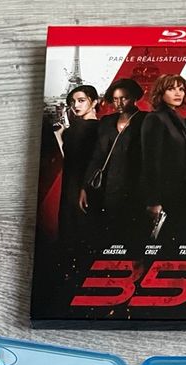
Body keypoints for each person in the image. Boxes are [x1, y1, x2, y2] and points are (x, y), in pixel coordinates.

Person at [79, 78, 146, 247]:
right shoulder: (107, 121)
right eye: (115, 99)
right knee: (106, 234)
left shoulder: (146, 120)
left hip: (134, 188)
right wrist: (85, 187)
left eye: (124, 98)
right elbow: (97, 156)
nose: (119, 103)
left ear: (134, 97)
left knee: (131, 236)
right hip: (106, 187)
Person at [141, 74, 186, 246]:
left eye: (181, 89)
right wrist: (153, 201)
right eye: (171, 89)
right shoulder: (155, 118)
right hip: (164, 195)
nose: (178, 93)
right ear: (161, 93)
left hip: (180, 191)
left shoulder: (176, 117)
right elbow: (150, 161)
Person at [56, 85, 99, 253]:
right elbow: (70, 156)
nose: (76, 105)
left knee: (73, 231)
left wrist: (60, 135)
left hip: (78, 184)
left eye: (81, 100)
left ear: (94, 102)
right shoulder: (99, 127)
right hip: (83, 184)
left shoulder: (80, 128)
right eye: (73, 102)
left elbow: (70, 156)